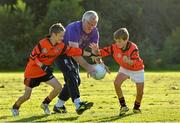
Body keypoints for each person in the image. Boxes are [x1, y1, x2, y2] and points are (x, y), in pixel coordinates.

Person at [11, 23, 95, 116]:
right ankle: (15, 107)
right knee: (27, 96)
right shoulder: (42, 43)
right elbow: (32, 57)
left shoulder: (61, 46)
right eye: (61, 36)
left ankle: (45, 104)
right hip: (32, 73)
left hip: (45, 72)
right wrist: (43, 66)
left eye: (63, 36)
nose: (62, 38)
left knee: (58, 87)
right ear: (54, 35)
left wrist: (90, 54)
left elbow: (74, 50)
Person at [90, 28, 144, 116]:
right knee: (116, 83)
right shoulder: (114, 47)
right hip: (125, 68)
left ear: (126, 40)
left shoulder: (133, 48)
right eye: (116, 41)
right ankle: (123, 106)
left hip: (137, 69)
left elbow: (134, 62)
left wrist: (128, 61)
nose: (117, 43)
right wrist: (95, 50)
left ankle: (136, 107)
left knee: (140, 93)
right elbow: (101, 53)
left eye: (119, 41)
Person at [53, 10, 99, 115]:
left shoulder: (94, 31)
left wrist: (99, 63)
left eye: (94, 24)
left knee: (76, 81)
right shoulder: (74, 28)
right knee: (72, 76)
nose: (91, 27)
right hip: (61, 53)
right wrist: (88, 66)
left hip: (73, 53)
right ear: (83, 20)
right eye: (89, 23)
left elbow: (95, 51)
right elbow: (74, 53)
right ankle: (78, 105)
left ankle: (58, 106)